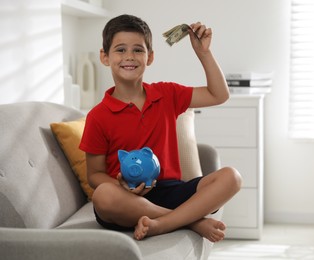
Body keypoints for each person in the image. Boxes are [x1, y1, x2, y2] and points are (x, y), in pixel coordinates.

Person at [79, 14, 242, 242]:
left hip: (170, 190)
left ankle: (162, 224)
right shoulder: (98, 115)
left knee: (232, 177)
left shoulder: (166, 94)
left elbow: (219, 94)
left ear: (150, 57)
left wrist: (203, 53)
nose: (129, 57)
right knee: (104, 195)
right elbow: (94, 175)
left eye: (138, 50)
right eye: (120, 50)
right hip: (125, 199)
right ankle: (192, 222)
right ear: (105, 57)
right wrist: (123, 186)